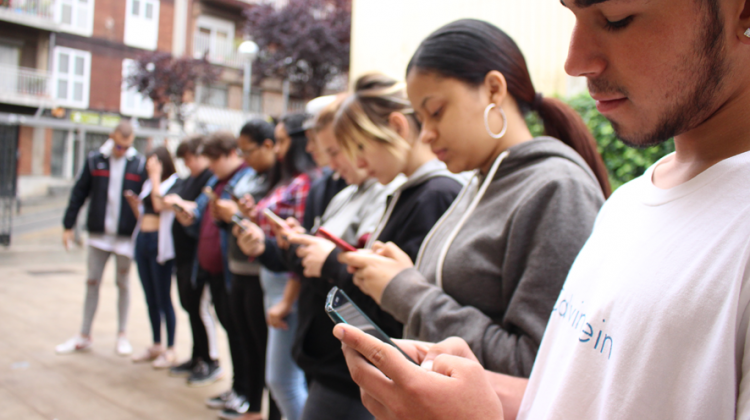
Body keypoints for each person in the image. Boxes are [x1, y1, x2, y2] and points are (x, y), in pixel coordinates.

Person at [338, 1, 750, 419]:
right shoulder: (627, 204)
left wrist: (408, 293)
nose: (573, 62)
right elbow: (571, 389)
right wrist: (461, 387)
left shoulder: (559, 186)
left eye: (615, 19)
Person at [339, 18, 610, 377]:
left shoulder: (557, 189)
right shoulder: (481, 180)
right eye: (420, 118)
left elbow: (535, 368)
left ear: (494, 90)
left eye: (435, 112)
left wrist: (406, 291)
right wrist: (406, 273)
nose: (427, 134)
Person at [165, 132, 254, 407]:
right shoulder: (216, 181)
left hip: (233, 272)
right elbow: (198, 221)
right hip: (211, 268)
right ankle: (238, 389)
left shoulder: (245, 180)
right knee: (232, 330)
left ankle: (246, 394)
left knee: (241, 335)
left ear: (231, 154)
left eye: (214, 159)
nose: (210, 165)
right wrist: (186, 216)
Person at [210, 120, 280, 420]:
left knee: (266, 349)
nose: (244, 158)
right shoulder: (249, 176)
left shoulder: (279, 179)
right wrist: (223, 214)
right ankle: (251, 405)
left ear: (268, 145)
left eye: (247, 151)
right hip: (237, 267)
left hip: (262, 274)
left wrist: (237, 213)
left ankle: (270, 410)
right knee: (245, 341)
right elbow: (230, 215)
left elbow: (269, 222)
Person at [56, 121, 146, 356]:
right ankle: (84, 334)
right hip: (98, 235)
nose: (122, 151)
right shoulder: (95, 160)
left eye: (127, 147)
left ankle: (122, 334)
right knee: (92, 282)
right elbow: (79, 192)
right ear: (111, 137)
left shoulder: (138, 164)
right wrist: (68, 225)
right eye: (118, 146)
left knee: (123, 284)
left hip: (125, 237)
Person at [167, 136, 221, 384]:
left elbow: (198, 213)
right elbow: (169, 197)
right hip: (184, 255)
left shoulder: (210, 179)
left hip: (197, 256)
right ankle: (197, 354)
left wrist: (184, 208)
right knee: (190, 307)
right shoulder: (188, 179)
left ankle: (210, 359)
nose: (188, 163)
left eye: (190, 158)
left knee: (200, 308)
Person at [125, 146, 180, 368]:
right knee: (150, 297)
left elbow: (158, 205)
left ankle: (170, 348)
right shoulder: (149, 183)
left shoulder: (173, 183)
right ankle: (156, 343)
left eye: (153, 162)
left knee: (163, 296)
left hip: (160, 243)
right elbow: (146, 212)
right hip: (143, 241)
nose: (149, 166)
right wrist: (135, 204)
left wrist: (156, 177)